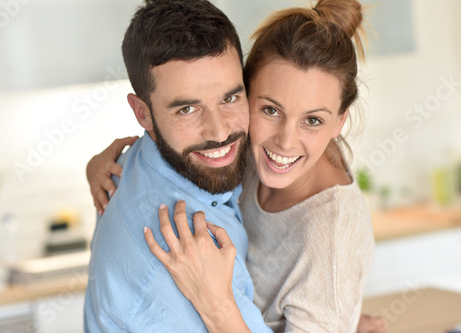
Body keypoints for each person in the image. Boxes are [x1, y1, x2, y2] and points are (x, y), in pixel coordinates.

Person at [87, 0, 389, 332]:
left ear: (338, 122)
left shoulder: (331, 240)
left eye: (313, 120)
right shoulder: (227, 159)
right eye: (271, 110)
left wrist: (219, 306)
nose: (286, 142)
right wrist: (96, 165)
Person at [84, 0, 274, 332]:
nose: (219, 132)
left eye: (229, 98)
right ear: (143, 114)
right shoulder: (178, 261)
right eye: (187, 109)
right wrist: (219, 310)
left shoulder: (136, 162)